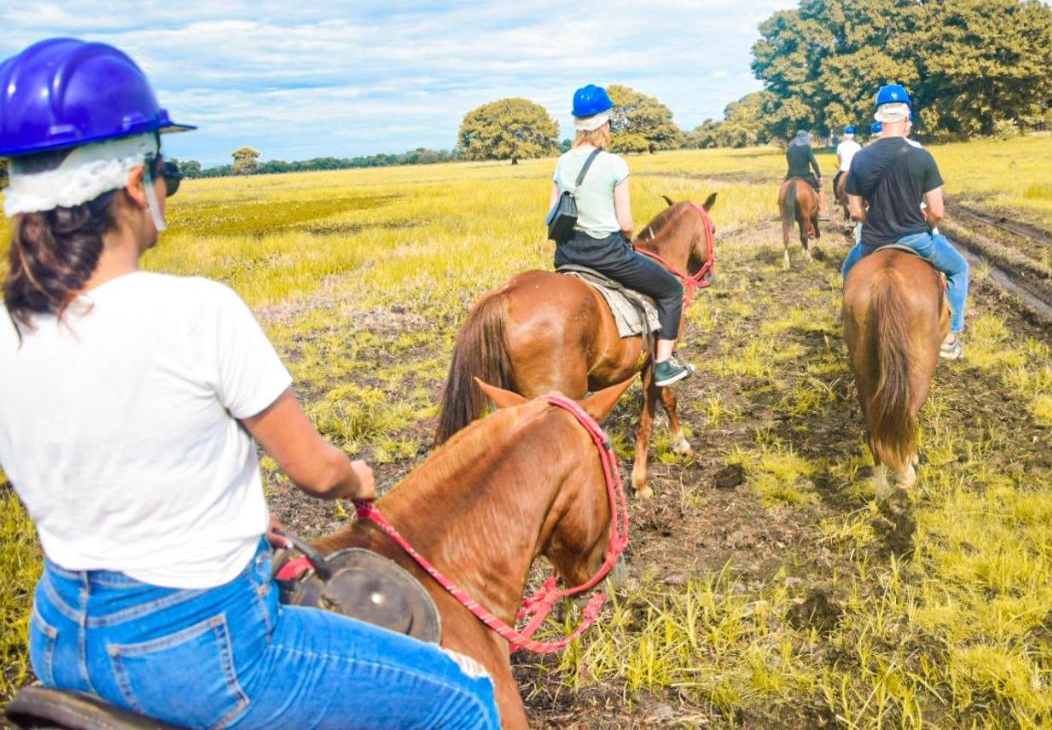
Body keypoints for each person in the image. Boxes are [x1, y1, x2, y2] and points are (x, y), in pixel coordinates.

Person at [0, 38, 500, 729]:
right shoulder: (197, 310)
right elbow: (314, 472)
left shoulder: (10, 325)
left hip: (59, 634)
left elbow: (101, 463)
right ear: (134, 184)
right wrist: (358, 476)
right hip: (198, 647)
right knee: (464, 699)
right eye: (165, 168)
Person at [549, 84, 692, 387]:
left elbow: (552, 213)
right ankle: (664, 364)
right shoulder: (614, 163)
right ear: (605, 122)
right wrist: (623, 235)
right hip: (607, 255)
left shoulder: (562, 161)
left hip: (566, 255)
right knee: (671, 291)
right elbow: (626, 223)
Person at [839, 84, 969, 361]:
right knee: (960, 268)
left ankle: (848, 323)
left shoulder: (861, 158)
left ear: (879, 117)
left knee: (847, 273)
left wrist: (873, 216)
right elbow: (937, 211)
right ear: (906, 117)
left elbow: (856, 211)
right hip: (916, 240)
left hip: (873, 242)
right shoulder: (921, 156)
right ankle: (950, 335)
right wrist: (925, 220)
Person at [785, 128, 828, 219]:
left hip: (791, 175)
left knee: (783, 189)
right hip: (805, 176)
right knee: (820, 189)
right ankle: (823, 212)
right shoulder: (807, 147)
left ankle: (782, 206)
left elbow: (789, 162)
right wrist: (819, 176)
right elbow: (814, 162)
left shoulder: (789, 148)